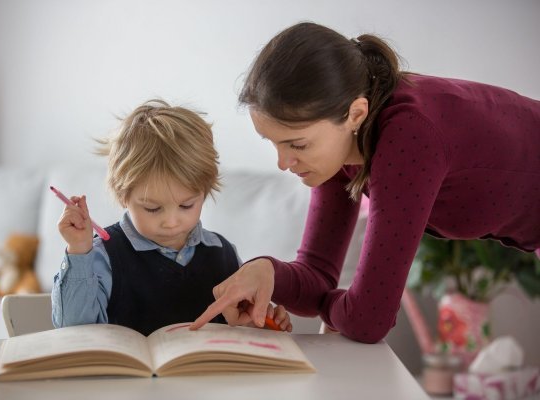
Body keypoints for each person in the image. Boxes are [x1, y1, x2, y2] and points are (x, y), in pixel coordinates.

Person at [190, 22, 540, 343]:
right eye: (274, 143)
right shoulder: (341, 148)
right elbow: (318, 275)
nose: (283, 163)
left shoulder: (407, 136)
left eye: (297, 144)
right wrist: (266, 272)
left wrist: (334, 306)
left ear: (355, 113)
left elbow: (368, 319)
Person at [51, 99, 292, 336]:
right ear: (124, 195)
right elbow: (74, 331)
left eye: (186, 205)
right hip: (129, 376)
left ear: (204, 192)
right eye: (153, 209)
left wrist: (258, 322)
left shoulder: (224, 254)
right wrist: (79, 251)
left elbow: (239, 327)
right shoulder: (101, 256)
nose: (171, 222)